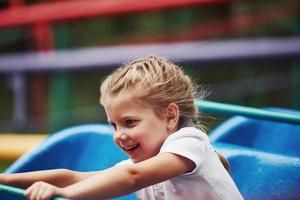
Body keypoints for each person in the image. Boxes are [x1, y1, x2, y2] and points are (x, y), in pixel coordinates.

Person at [0, 56, 243, 200]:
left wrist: (67, 195)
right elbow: (72, 177)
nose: (118, 135)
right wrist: (7, 179)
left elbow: (131, 178)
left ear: (170, 116)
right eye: (113, 125)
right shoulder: (146, 164)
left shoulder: (190, 142)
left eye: (130, 122)